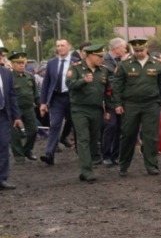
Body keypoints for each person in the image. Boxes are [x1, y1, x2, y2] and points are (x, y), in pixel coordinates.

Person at [108, 37, 161, 176]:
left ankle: (152, 165)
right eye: (136, 50)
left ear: (147, 49)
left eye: (141, 50)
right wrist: (117, 104)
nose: (139, 53)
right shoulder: (125, 65)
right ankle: (123, 165)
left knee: (151, 136)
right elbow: (117, 86)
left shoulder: (157, 64)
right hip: (130, 104)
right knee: (128, 135)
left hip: (151, 104)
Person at [66, 44, 108, 183]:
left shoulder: (103, 70)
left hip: (96, 109)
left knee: (94, 140)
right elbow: (70, 84)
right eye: (99, 56)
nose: (102, 58)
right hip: (80, 109)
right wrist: (83, 81)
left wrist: (108, 108)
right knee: (83, 139)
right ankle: (86, 170)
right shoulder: (76, 68)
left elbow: (107, 91)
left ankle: (88, 166)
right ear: (90, 55)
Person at [38, 38, 77, 166]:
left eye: (62, 45)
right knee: (54, 125)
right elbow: (46, 84)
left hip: (72, 98)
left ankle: (82, 152)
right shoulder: (52, 63)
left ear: (68, 47)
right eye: (58, 46)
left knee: (76, 124)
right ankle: (49, 153)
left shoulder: (76, 62)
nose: (60, 48)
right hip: (56, 98)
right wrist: (43, 102)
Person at [99, 38, 128, 166]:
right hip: (109, 100)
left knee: (120, 128)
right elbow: (108, 79)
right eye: (123, 47)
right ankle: (105, 154)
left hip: (122, 100)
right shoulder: (103, 60)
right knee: (110, 126)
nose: (125, 50)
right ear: (115, 48)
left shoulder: (122, 61)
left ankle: (116, 155)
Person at [9, 53, 38, 162]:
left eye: (23, 63)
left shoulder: (29, 76)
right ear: (12, 64)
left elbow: (35, 92)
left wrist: (39, 102)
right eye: (18, 63)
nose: (21, 65)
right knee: (15, 134)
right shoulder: (9, 78)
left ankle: (27, 150)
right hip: (15, 109)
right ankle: (19, 156)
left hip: (28, 108)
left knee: (33, 130)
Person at [0, 52, 21, 190]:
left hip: (3, 114)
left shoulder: (6, 73)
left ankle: (2, 179)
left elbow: (12, 95)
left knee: (3, 146)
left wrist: (17, 116)